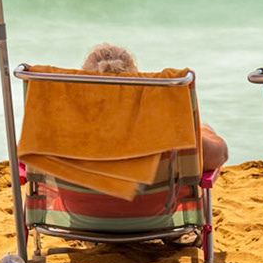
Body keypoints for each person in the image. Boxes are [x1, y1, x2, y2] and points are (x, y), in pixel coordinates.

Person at [81, 43, 229, 175]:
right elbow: (220, 155)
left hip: (78, 204)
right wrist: (201, 132)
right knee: (204, 131)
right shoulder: (160, 127)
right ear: (136, 79)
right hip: (152, 205)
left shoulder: (66, 130)